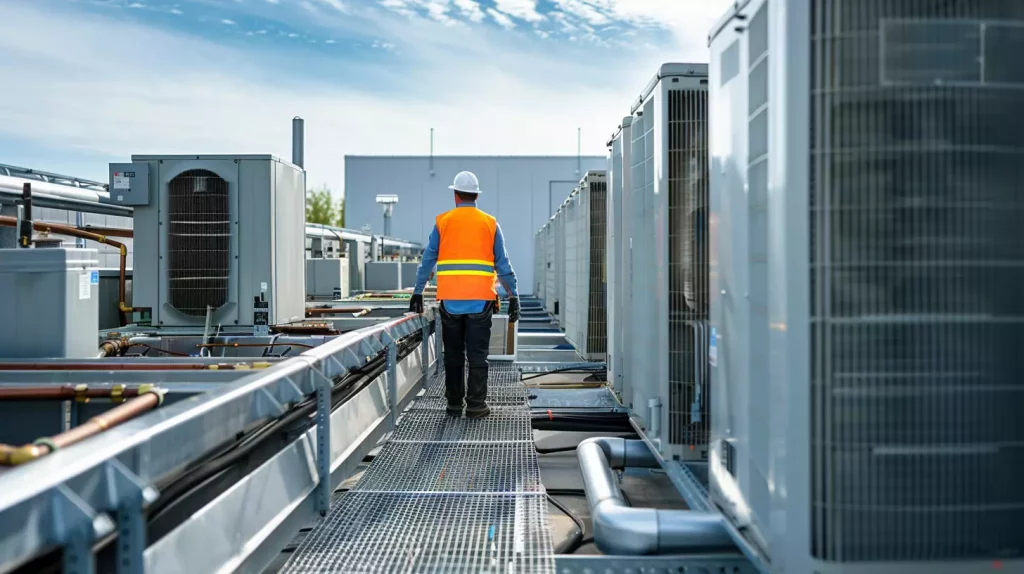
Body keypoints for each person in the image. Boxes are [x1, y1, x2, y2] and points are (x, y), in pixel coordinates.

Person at [409, 171, 520, 418]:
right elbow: (503, 265)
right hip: (480, 302)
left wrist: (418, 291)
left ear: (455, 195)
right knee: (478, 355)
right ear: (477, 195)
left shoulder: (443, 222)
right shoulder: (490, 223)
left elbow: (427, 260)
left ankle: (454, 405)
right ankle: (476, 405)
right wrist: (513, 296)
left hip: (450, 302)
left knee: (454, 355)